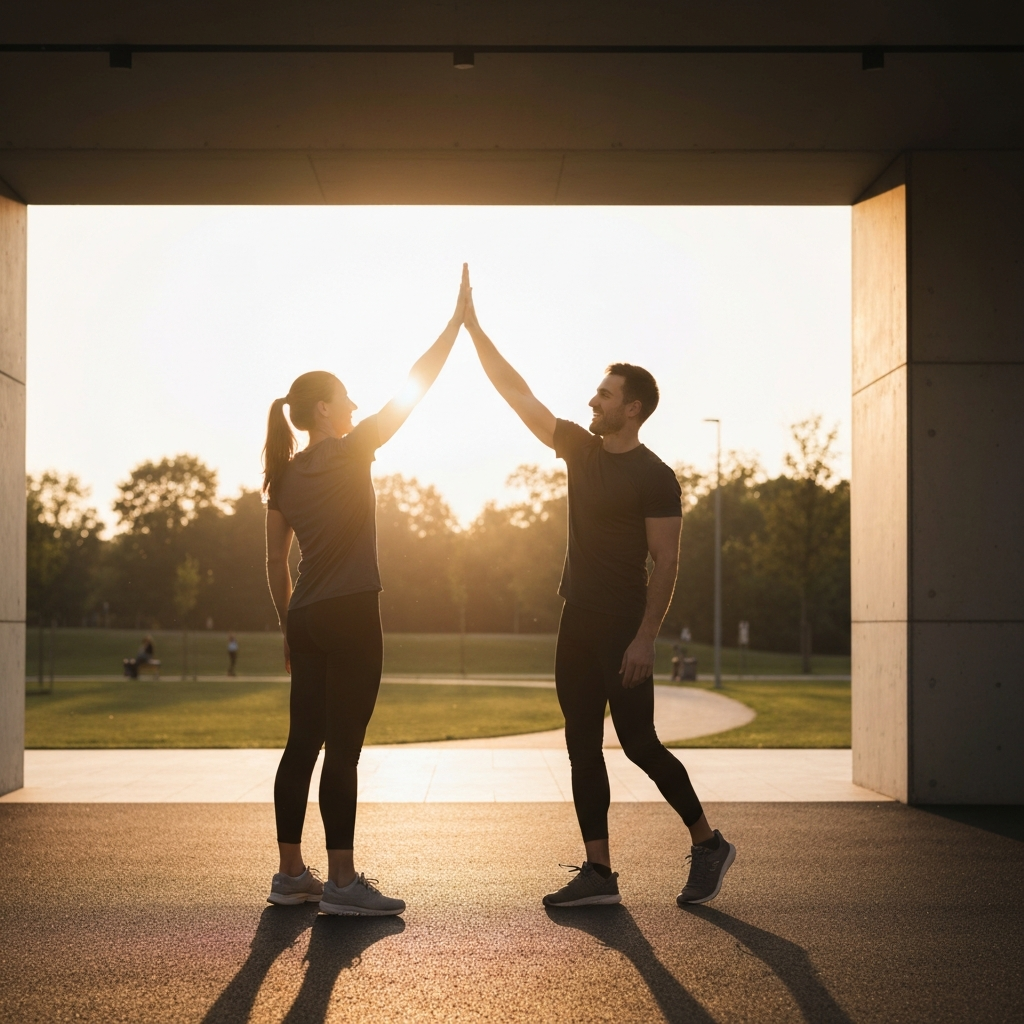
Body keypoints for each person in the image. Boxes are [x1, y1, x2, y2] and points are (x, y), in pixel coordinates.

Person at [463, 270, 736, 908]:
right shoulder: (579, 452)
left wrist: (645, 638)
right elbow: (516, 392)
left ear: (632, 407)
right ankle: (599, 874)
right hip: (576, 621)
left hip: (622, 628)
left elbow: (666, 562)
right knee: (581, 743)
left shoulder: (655, 476)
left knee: (638, 744)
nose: (593, 401)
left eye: (604, 394)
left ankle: (707, 842)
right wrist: (475, 330)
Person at [262, 265, 469, 916]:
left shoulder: (284, 477)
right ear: (324, 409)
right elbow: (418, 383)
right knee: (342, 749)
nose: (354, 404)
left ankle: (292, 874)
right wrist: (455, 325)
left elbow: (275, 562)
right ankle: (344, 884)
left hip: (307, 617)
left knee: (302, 746)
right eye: (345, 397)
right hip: (352, 612)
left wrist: (287, 628)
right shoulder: (354, 449)